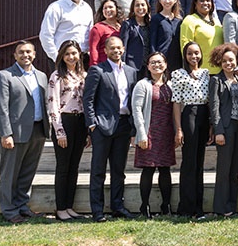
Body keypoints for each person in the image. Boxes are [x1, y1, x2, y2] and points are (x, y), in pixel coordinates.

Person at [0, 41, 49, 223]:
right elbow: (0, 107)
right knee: (10, 174)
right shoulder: (4, 76)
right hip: (14, 133)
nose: (26, 55)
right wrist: (5, 133)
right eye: (21, 52)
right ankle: (9, 210)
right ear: (15, 56)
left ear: (34, 54)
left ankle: (22, 206)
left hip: (38, 130)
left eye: (29, 52)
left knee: (27, 171)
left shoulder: (41, 76)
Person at [83, 36, 138, 222]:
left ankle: (117, 207)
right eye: (112, 48)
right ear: (105, 51)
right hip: (102, 126)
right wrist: (92, 124)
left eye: (119, 48)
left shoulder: (131, 72)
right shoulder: (97, 70)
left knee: (118, 170)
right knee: (98, 170)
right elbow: (88, 99)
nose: (116, 51)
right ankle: (97, 210)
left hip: (123, 125)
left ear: (123, 49)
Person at [46, 41, 88, 221]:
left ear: (79, 54)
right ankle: (60, 207)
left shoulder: (83, 75)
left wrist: (87, 130)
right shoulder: (56, 76)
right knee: (63, 167)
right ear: (62, 57)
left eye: (74, 53)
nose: (71, 57)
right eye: (67, 54)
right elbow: (53, 104)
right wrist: (59, 131)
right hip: (65, 121)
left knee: (74, 167)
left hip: (80, 122)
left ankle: (69, 206)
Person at [131, 52, 176, 218]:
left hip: (166, 133)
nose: (157, 65)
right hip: (149, 132)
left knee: (165, 170)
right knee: (148, 170)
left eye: (160, 62)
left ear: (165, 64)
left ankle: (166, 206)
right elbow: (136, 110)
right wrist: (140, 134)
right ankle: (145, 206)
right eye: (153, 63)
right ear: (148, 66)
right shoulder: (142, 85)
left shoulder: (171, 85)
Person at [169, 42, 211, 220]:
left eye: (196, 53)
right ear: (184, 56)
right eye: (190, 54)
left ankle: (198, 207)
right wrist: (178, 129)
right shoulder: (178, 74)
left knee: (199, 162)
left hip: (204, 115)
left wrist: (210, 126)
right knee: (189, 161)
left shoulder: (206, 73)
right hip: (189, 115)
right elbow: (177, 102)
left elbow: (209, 100)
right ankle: (186, 207)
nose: (193, 57)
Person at [208, 43, 238, 217]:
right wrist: (218, 131)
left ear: (237, 60)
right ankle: (220, 207)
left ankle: (231, 206)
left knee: (235, 170)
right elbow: (214, 108)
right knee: (224, 170)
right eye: (224, 61)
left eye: (231, 60)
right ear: (219, 62)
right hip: (226, 127)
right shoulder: (216, 80)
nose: (228, 63)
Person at [179, 0, 224, 73]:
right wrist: (191, 69)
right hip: (200, 71)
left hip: (220, 70)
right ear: (195, 4)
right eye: (202, 1)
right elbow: (185, 46)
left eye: (208, 1)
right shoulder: (190, 20)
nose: (205, 3)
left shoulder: (217, 21)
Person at [150, 0, 183, 70]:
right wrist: (155, 58)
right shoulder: (156, 19)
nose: (167, 1)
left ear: (175, 0)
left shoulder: (179, 20)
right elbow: (152, 42)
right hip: (161, 60)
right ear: (159, 0)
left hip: (177, 60)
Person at [119, 0, 151, 77]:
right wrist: (122, 63)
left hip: (148, 66)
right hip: (132, 65)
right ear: (133, 8)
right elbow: (123, 46)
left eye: (143, 5)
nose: (140, 7)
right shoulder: (128, 24)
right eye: (137, 5)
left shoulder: (150, 24)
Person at [88, 0, 122, 66]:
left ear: (116, 9)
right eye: (105, 8)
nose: (108, 10)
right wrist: (95, 67)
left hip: (119, 66)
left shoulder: (123, 26)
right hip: (104, 67)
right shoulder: (98, 28)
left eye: (110, 7)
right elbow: (94, 49)